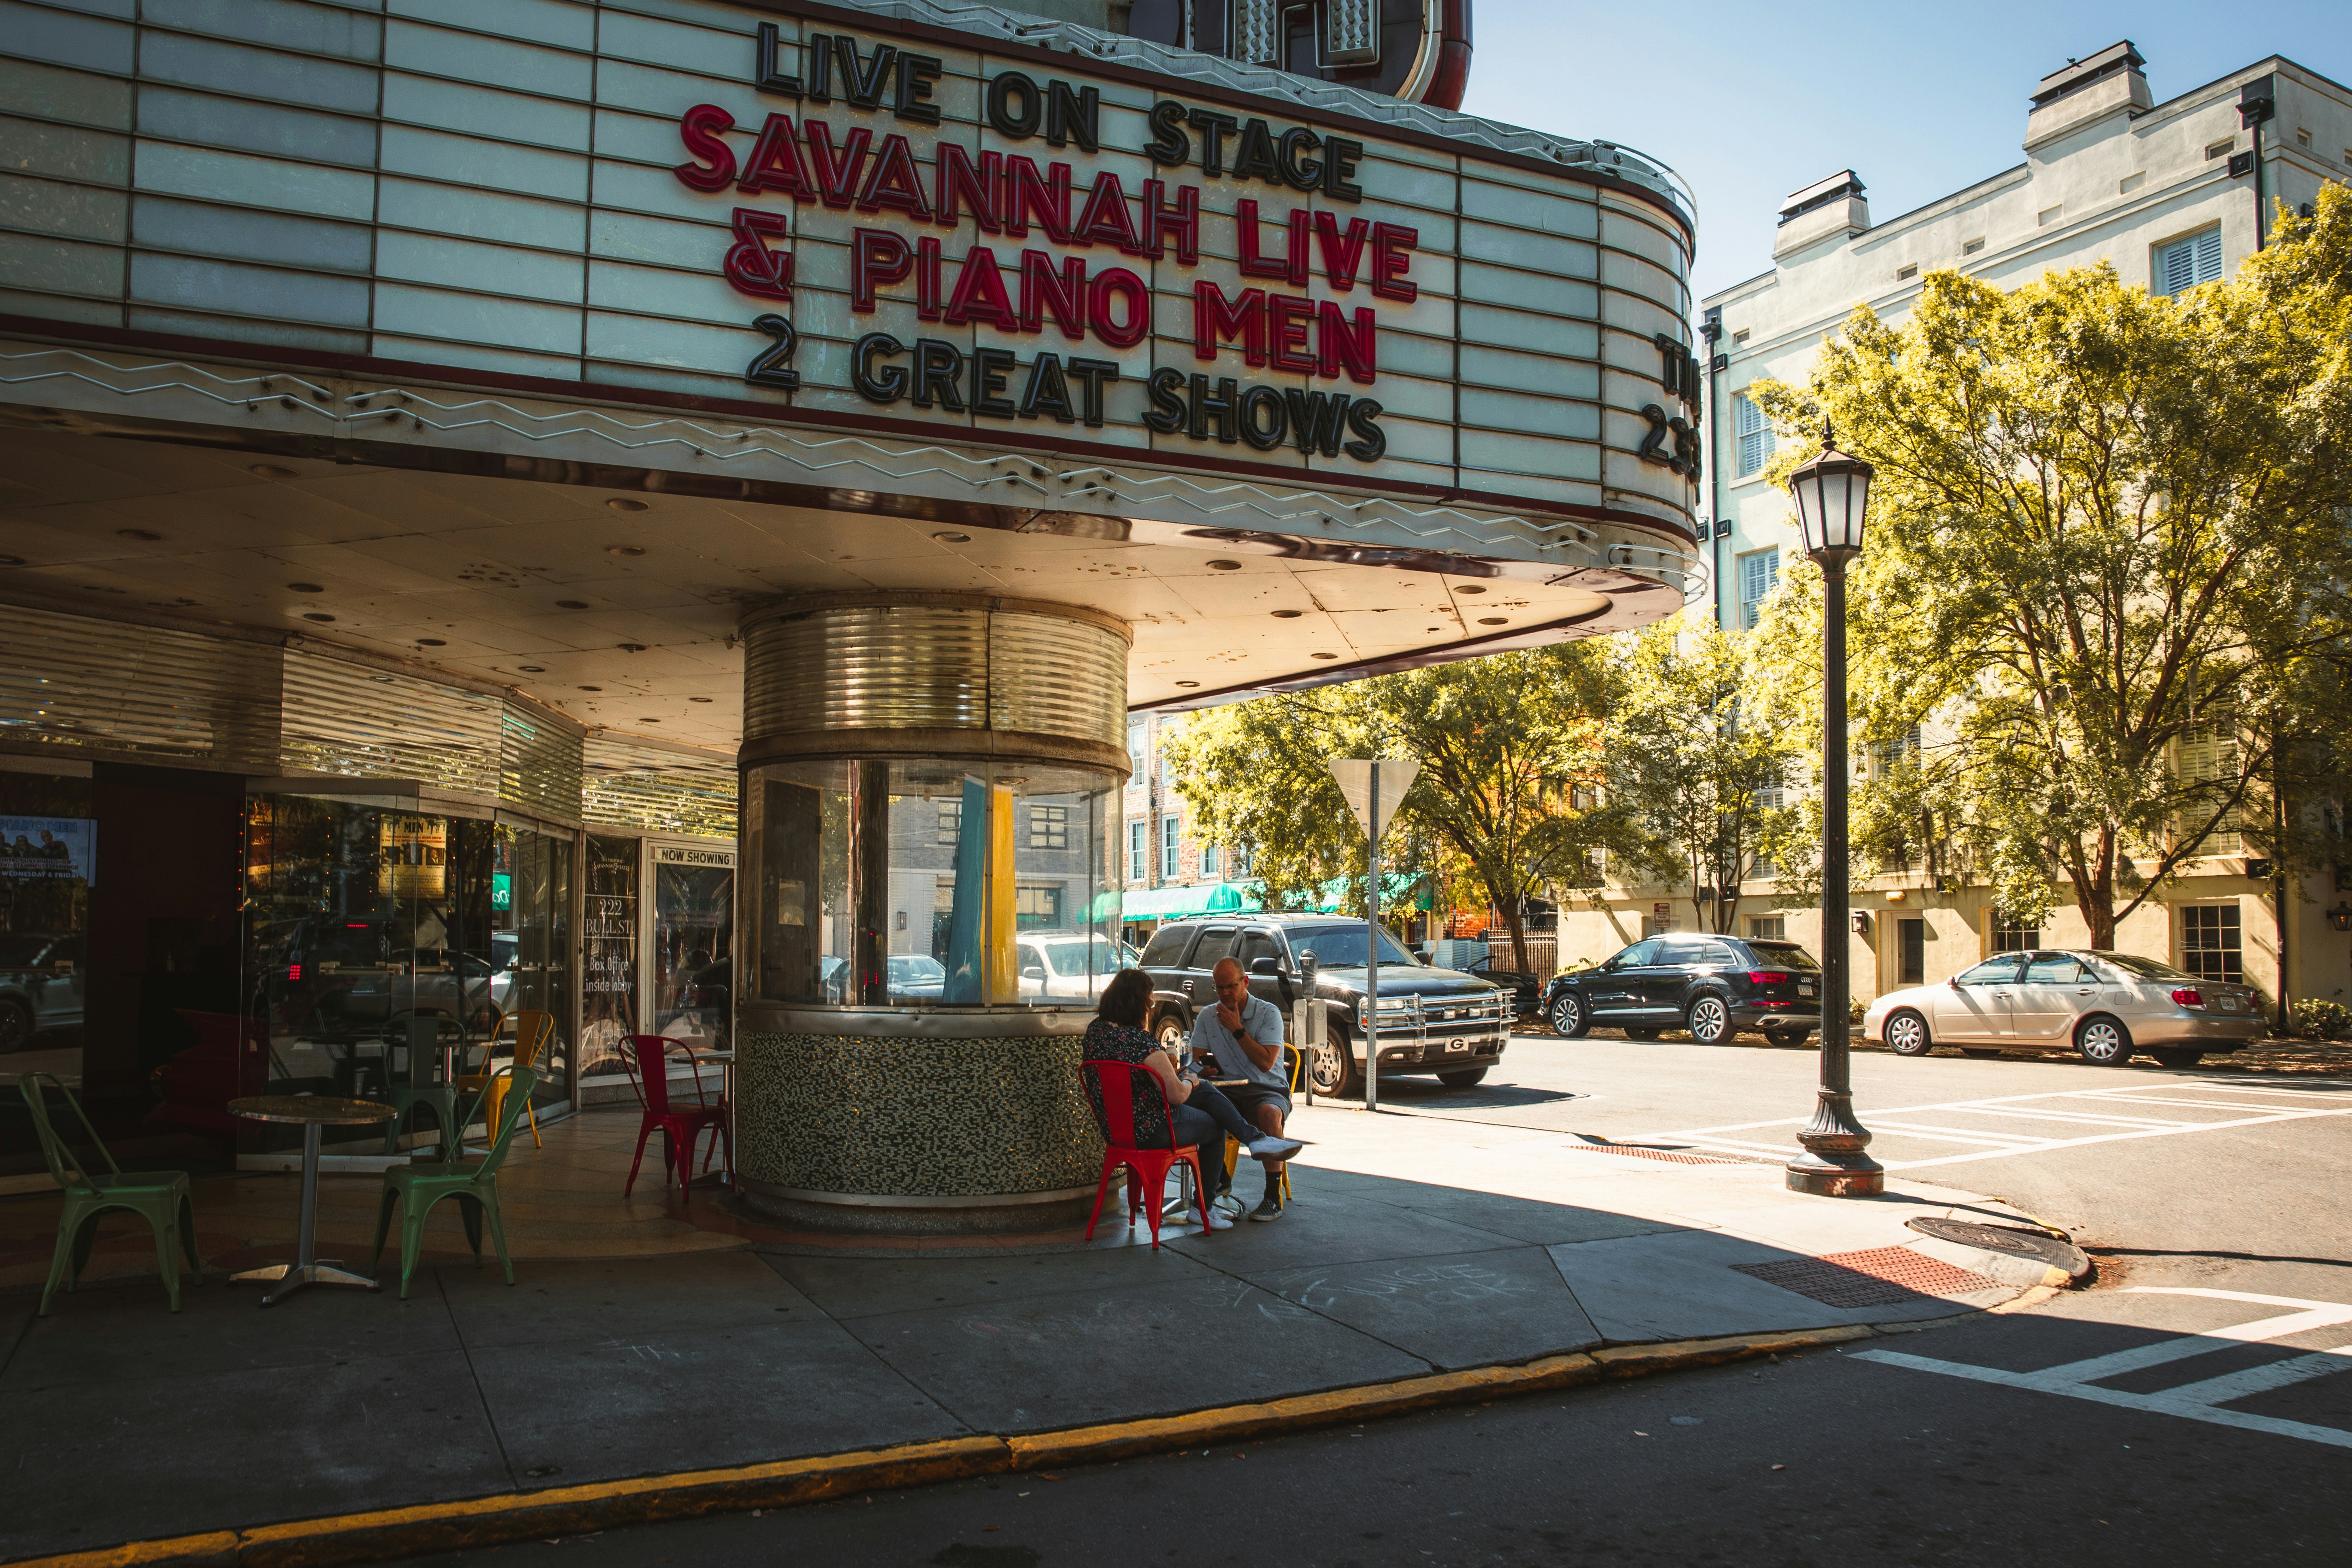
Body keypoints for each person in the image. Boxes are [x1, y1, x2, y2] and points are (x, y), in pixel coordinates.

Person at [1081, 968, 1301, 1232]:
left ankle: (1251, 1144)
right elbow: (1176, 1094)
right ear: (1138, 1004)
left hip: (1116, 1130)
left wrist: (1182, 1078)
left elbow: (1135, 1076)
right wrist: (1189, 1081)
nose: (1152, 1007)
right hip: (1152, 1128)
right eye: (1149, 1002)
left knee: (1204, 1090)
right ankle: (1204, 1205)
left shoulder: (1096, 1032)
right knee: (1213, 1123)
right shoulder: (1141, 1042)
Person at [1192, 957, 1295, 1222]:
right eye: (1219, 988)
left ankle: (1272, 1197)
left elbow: (1265, 1063)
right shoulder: (1208, 1015)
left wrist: (1238, 1030)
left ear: (1245, 982)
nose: (1225, 993)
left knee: (1269, 1114)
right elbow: (1196, 1061)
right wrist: (1204, 1068)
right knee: (1198, 1107)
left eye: (1230, 987)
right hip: (1229, 1088)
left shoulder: (1268, 1013)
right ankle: (1219, 1182)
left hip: (1267, 1087)